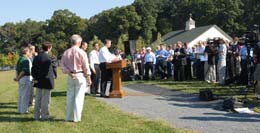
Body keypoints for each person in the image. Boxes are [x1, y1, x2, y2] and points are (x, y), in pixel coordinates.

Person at [61, 34, 92, 122]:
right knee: (79, 97)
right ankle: (76, 118)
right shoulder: (82, 52)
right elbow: (86, 66)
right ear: (79, 42)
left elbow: (62, 66)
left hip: (70, 76)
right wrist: (89, 78)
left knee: (70, 96)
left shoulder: (66, 52)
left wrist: (69, 73)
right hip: (80, 75)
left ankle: (68, 117)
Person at [32, 42, 55, 120]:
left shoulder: (37, 57)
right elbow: (46, 71)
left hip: (38, 81)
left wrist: (35, 78)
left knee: (38, 99)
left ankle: (36, 116)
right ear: (49, 48)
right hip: (46, 81)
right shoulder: (48, 58)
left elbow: (33, 69)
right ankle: (45, 116)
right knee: (45, 99)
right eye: (51, 47)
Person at [14, 46, 31, 114]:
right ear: (26, 52)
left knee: (21, 94)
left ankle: (20, 109)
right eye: (29, 51)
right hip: (25, 78)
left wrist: (17, 77)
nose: (29, 53)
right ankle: (24, 111)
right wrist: (18, 78)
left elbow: (17, 70)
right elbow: (24, 71)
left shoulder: (20, 59)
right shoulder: (25, 60)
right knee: (25, 95)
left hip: (21, 79)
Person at [254, 33, 260, 99]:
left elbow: (254, 56)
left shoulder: (257, 44)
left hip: (259, 64)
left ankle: (259, 95)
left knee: (258, 80)